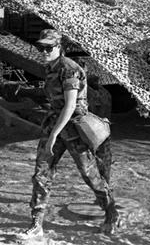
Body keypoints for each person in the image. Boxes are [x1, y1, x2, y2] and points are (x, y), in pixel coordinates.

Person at [22, 29, 120, 240]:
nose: (44, 51)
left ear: (60, 47)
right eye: (41, 47)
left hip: (75, 128)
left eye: (49, 47)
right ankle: (36, 222)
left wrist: (54, 134)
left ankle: (111, 213)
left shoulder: (69, 69)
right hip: (55, 123)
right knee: (41, 173)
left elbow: (70, 105)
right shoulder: (50, 68)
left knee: (90, 175)